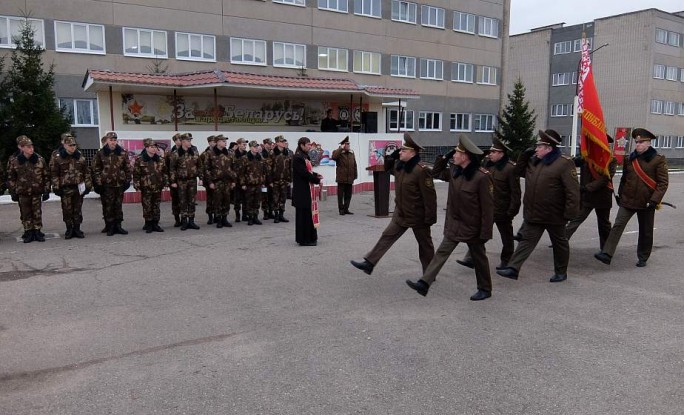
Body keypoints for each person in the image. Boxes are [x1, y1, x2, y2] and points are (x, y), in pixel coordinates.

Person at [405, 135, 494, 301]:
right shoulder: (455, 171)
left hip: (473, 226)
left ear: (466, 156)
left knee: (479, 258)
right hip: (455, 223)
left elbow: (488, 209)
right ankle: (424, 284)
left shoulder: (481, 177)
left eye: (457, 153)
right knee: (442, 252)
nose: (454, 155)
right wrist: (445, 156)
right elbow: (436, 173)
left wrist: (485, 232)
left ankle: (485, 289)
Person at [496, 129, 580, 282]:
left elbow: (573, 191)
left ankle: (561, 272)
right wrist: (524, 156)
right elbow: (518, 172)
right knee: (526, 240)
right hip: (534, 212)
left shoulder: (564, 163)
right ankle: (513, 268)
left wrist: (570, 213)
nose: (536, 149)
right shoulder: (534, 161)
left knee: (559, 243)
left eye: (539, 146)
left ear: (549, 148)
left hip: (555, 214)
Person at [350, 133, 437, 275]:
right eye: (400, 150)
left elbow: (430, 198)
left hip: (417, 215)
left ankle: (429, 274)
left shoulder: (421, 171)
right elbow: (387, 168)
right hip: (401, 212)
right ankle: (369, 263)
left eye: (403, 150)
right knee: (387, 235)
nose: (400, 152)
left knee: (425, 245)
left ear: (412, 153)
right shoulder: (400, 166)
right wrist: (392, 156)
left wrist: (430, 218)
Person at [594, 128, 669, 267]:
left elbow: (663, 183)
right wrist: (621, 194)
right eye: (637, 142)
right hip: (628, 200)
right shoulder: (630, 159)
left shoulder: (658, 160)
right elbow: (624, 179)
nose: (638, 144)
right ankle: (607, 254)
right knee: (618, 225)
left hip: (646, 202)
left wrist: (654, 200)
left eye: (641, 142)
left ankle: (643, 257)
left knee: (645, 231)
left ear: (648, 143)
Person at [457, 136, 521, 270]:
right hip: (486, 209)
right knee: (478, 234)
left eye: (493, 152)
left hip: (502, 210)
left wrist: (512, 211)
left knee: (507, 237)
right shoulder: (487, 165)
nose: (490, 154)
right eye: (490, 152)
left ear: (501, 154)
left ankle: (507, 260)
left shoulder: (510, 168)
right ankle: (472, 258)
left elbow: (516, 193)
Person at [565, 135, 618, 251]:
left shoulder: (611, 159)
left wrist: (586, 188)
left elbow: (605, 179)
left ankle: (606, 249)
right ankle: (561, 241)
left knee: (604, 224)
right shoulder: (588, 157)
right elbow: (573, 163)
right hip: (587, 197)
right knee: (576, 219)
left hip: (602, 197)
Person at [7, 136, 51, 243]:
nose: (31, 149)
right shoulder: (14, 161)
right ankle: (28, 231)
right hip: (23, 192)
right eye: (28, 147)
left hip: (36, 191)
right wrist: (13, 191)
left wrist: (46, 190)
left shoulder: (39, 160)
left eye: (32, 146)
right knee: (25, 213)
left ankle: (37, 231)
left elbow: (46, 176)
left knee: (37, 212)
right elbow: (11, 177)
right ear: (21, 148)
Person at [50, 135, 92, 239]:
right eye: (70, 145)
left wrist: (88, 185)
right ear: (64, 145)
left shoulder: (80, 157)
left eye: (74, 145)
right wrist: (56, 187)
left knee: (77, 209)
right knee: (67, 210)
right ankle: (69, 229)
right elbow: (54, 173)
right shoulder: (58, 157)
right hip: (66, 188)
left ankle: (77, 229)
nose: (73, 147)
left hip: (78, 187)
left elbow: (86, 172)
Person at [92, 131, 132, 236]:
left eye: (115, 140)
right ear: (107, 140)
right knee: (108, 206)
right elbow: (96, 169)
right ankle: (110, 226)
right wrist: (98, 183)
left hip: (119, 184)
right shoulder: (101, 153)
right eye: (111, 140)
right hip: (107, 184)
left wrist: (127, 180)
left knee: (118, 206)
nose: (113, 142)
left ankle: (118, 226)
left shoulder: (122, 152)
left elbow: (127, 167)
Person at [292, 136, 323, 246]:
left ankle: (310, 237)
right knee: (303, 215)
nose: (310, 146)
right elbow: (303, 173)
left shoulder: (305, 156)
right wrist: (316, 180)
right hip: (301, 191)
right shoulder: (298, 157)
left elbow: (308, 171)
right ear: (302, 145)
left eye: (310, 144)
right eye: (308, 144)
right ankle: (303, 239)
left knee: (308, 214)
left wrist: (316, 175)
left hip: (307, 190)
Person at [133, 138, 167, 233]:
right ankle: (148, 224)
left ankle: (155, 224)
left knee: (156, 206)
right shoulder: (140, 160)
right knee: (147, 206)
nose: (154, 149)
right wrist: (137, 185)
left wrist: (165, 182)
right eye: (151, 147)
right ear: (147, 148)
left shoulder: (160, 160)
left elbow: (164, 172)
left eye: (155, 147)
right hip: (146, 187)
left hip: (157, 186)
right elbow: (136, 174)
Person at [169, 133, 201, 230]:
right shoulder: (176, 154)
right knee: (183, 201)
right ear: (183, 142)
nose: (190, 142)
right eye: (188, 140)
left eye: (190, 140)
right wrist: (173, 181)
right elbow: (172, 168)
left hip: (192, 180)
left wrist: (201, 178)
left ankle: (191, 221)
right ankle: (184, 221)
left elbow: (200, 166)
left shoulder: (194, 153)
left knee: (191, 201)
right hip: (181, 181)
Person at [205, 134, 237, 228]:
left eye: (225, 141)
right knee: (218, 200)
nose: (225, 142)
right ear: (218, 142)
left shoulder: (229, 153)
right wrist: (210, 182)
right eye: (223, 141)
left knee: (226, 200)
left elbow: (233, 167)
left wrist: (233, 180)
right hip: (217, 181)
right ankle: (218, 219)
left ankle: (225, 218)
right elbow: (207, 169)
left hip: (227, 181)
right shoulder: (210, 153)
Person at [240, 141, 268, 226]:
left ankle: (255, 217)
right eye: (254, 147)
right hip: (249, 184)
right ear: (250, 147)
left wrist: (263, 181)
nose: (256, 148)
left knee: (257, 201)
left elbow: (264, 171)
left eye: (257, 147)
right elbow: (241, 172)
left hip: (258, 183)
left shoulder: (260, 158)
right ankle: (250, 218)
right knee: (249, 201)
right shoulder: (245, 158)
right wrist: (243, 184)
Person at [331, 135, 358, 215]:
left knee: (348, 195)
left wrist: (355, 175)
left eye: (349, 144)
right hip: (341, 177)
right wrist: (341, 148)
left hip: (350, 177)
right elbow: (334, 157)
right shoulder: (338, 152)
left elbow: (354, 164)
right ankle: (341, 209)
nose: (348, 145)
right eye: (347, 144)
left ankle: (346, 209)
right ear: (343, 145)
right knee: (340, 195)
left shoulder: (351, 153)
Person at [271, 135, 292, 223]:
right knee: (276, 198)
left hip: (284, 179)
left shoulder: (287, 153)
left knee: (283, 198)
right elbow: (269, 168)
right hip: (275, 180)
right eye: (281, 141)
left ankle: (281, 215)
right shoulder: (273, 153)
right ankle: (276, 215)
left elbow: (290, 167)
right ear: (277, 143)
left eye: (284, 141)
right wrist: (270, 181)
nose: (283, 143)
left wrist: (290, 179)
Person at [166, 133, 183, 227]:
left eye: (181, 139)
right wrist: (171, 181)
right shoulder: (170, 152)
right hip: (174, 180)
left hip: (183, 180)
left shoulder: (188, 151)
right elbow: (167, 167)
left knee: (184, 200)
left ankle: (185, 218)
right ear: (175, 141)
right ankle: (177, 219)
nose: (180, 141)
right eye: (178, 139)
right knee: (175, 200)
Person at [200, 135, 217, 225]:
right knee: (210, 199)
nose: (215, 143)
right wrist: (202, 179)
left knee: (217, 199)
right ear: (209, 142)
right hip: (209, 180)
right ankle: (210, 216)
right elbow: (202, 167)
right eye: (213, 142)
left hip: (217, 180)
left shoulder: (218, 153)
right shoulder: (204, 154)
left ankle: (217, 216)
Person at [232, 138, 248, 222]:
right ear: (238, 144)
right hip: (236, 181)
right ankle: (237, 215)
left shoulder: (247, 155)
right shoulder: (233, 155)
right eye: (243, 144)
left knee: (245, 199)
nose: (245, 146)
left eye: (245, 144)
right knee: (237, 199)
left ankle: (245, 215)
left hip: (245, 181)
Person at [261, 138, 276, 220]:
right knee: (264, 197)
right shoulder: (262, 154)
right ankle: (265, 213)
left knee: (271, 196)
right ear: (265, 144)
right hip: (264, 180)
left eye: (271, 144)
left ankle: (271, 212)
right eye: (269, 144)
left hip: (271, 179)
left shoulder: (272, 153)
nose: (270, 145)